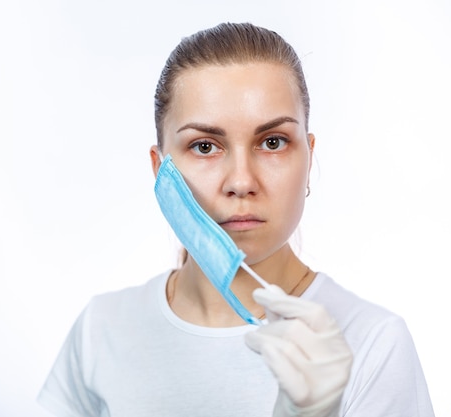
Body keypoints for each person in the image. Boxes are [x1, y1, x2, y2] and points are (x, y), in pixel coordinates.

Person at [37, 22, 434, 417]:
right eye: (205, 146)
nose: (242, 182)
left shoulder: (374, 343)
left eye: (273, 142)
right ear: (162, 172)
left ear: (308, 159)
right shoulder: (101, 329)